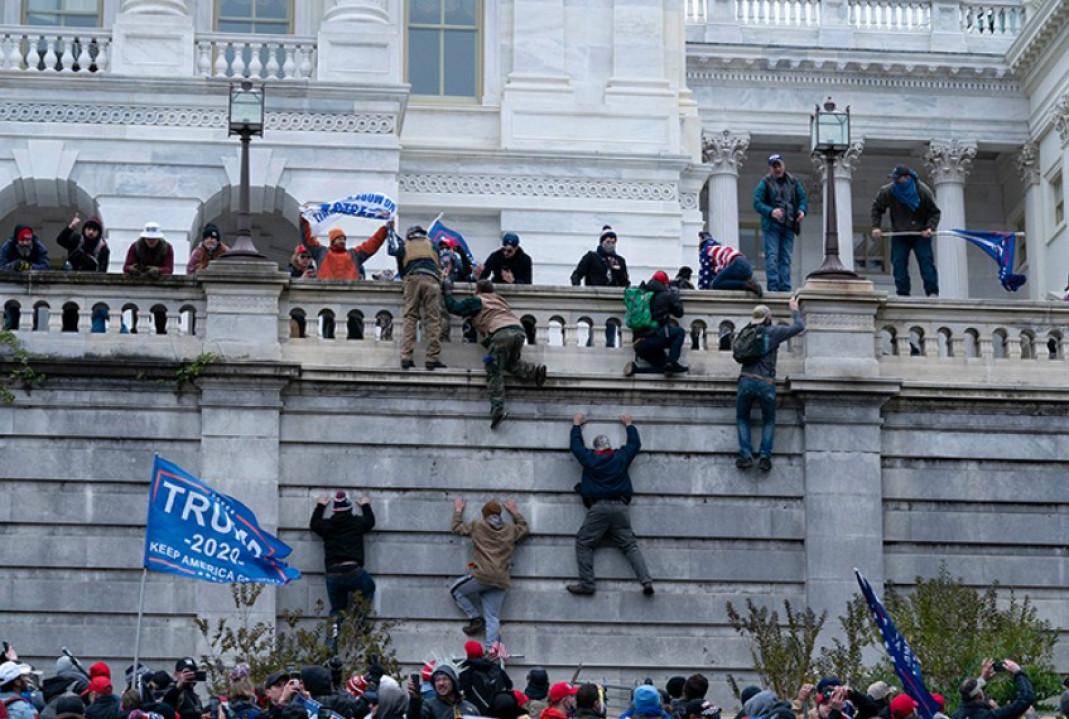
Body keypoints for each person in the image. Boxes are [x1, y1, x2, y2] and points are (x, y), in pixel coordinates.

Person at [567, 414, 653, 596]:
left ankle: (587, 584)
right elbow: (634, 445)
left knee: (584, 542)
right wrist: (629, 425)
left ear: (596, 448)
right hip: (621, 508)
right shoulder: (620, 457)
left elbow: (576, 447)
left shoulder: (590, 459)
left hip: (599, 508)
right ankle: (646, 581)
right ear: (609, 447)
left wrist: (576, 425)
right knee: (630, 546)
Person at [442, 278, 547, 428]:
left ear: (477, 290)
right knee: (509, 363)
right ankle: (535, 372)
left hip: (501, 334)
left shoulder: (478, 300)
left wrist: (447, 292)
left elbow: (455, 308)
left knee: (493, 369)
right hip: (518, 332)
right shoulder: (500, 300)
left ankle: (497, 409)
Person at [735, 298, 805, 472]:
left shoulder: (746, 332)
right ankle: (765, 457)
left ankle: (746, 455)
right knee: (769, 420)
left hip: (746, 380)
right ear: (768, 318)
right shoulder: (774, 332)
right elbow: (799, 327)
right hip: (766, 383)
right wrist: (794, 310)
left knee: (743, 418)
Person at [450, 498, 529, 646]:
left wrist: (459, 510)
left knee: (455, 590)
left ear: (484, 515)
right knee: (493, 618)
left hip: (482, 576)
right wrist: (515, 512)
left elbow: (457, 527)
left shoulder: (477, 526)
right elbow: (524, 528)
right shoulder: (511, 530)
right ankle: (491, 652)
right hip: (501, 580)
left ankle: (475, 618)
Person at [870, 165, 941, 297]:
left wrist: (930, 228)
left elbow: (934, 212)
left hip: (920, 234)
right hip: (900, 233)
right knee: (898, 263)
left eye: (898, 179)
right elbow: (877, 208)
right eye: (894, 179)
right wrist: (876, 227)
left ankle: (932, 291)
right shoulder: (888, 191)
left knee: (926, 262)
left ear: (907, 178)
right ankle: (903, 293)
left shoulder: (922, 191)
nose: (896, 182)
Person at [310, 491, 377, 617]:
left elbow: (314, 524)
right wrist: (365, 505)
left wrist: (320, 506)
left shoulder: (327, 525)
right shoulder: (356, 523)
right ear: (349, 509)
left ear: (335, 511)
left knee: (337, 610)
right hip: (353, 570)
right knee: (368, 588)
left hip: (333, 572)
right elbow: (370, 521)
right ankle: (357, 626)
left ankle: (333, 636)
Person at [388, 225, 445, 371]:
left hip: (412, 279)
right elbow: (438, 265)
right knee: (433, 319)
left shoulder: (404, 246)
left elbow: (401, 270)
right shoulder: (432, 245)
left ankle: (406, 357)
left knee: (410, 317)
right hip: (431, 280)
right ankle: (432, 358)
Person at [752, 154, 808, 292]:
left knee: (786, 258)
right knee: (772, 257)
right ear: (770, 168)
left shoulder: (793, 181)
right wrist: (771, 212)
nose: (777, 169)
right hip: (772, 226)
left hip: (789, 225)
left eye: (779, 165)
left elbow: (803, 199)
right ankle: (773, 287)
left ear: (784, 165)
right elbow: (756, 203)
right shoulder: (765, 182)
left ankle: (785, 288)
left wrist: (801, 210)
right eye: (774, 166)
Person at [624, 271, 687, 377]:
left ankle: (635, 370)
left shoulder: (642, 294)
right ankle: (672, 361)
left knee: (664, 368)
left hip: (639, 344)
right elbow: (679, 312)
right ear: (665, 283)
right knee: (679, 332)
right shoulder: (667, 295)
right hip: (654, 338)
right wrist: (675, 295)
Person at [299, 217, 391, 281]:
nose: (342, 241)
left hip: (348, 296)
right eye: (339, 239)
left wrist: (385, 229)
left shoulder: (354, 254)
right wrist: (304, 220)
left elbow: (372, 244)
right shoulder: (321, 252)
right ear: (332, 241)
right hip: (325, 295)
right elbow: (307, 240)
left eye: (343, 239)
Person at [953, 659, 1033, 719]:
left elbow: (967, 696)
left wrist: (982, 679)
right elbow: (1025, 699)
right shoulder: (987, 716)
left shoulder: (956, 715)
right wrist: (1018, 672)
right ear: (979, 696)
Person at [697, 232, 762, 296]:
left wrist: (703, 290)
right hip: (747, 267)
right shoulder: (718, 249)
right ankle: (750, 285)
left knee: (715, 284)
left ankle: (747, 285)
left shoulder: (706, 251)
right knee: (724, 282)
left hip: (737, 264)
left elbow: (705, 273)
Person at [457, 641, 513, 716]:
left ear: (468, 654)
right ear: (482, 652)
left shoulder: (465, 675)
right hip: (499, 713)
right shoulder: (497, 668)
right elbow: (509, 685)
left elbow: (459, 697)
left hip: (477, 714)